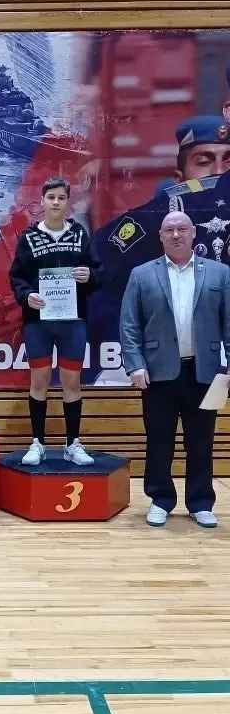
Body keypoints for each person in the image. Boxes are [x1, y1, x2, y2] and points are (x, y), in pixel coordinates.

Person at [120, 210, 230, 528]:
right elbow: (129, 325)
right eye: (169, 230)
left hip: (207, 373)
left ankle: (200, 502)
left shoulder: (220, 273)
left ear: (194, 233)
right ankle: (160, 500)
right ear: (161, 236)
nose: (176, 234)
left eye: (182, 229)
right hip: (158, 373)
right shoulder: (141, 274)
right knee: (159, 441)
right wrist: (135, 364)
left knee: (202, 441)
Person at [9, 175, 103, 466]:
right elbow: (16, 277)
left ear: (68, 202)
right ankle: (37, 443)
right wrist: (27, 296)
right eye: (51, 197)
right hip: (38, 321)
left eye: (61, 198)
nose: (56, 202)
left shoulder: (79, 235)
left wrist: (90, 276)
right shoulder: (28, 237)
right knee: (39, 380)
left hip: (73, 320)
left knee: (71, 382)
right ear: (42, 201)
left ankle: (72, 444)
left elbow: (98, 272)